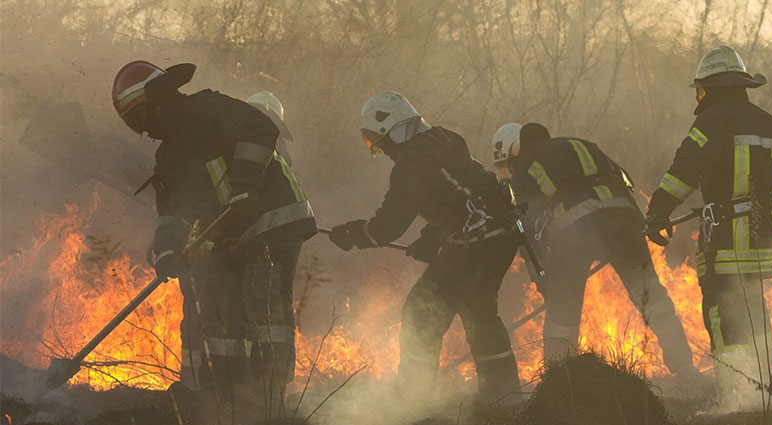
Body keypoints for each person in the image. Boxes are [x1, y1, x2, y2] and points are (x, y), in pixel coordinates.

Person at [112, 60, 316, 420]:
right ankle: (223, 392)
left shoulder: (207, 109)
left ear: (158, 99)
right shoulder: (169, 154)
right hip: (230, 231)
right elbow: (173, 212)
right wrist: (167, 249)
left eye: (139, 117)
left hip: (271, 219)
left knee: (263, 304)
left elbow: (260, 129)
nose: (141, 130)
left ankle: (269, 395)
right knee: (221, 308)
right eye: (132, 124)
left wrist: (244, 187)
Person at [327, 91, 523, 405]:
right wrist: (432, 238)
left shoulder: (411, 163)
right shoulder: (444, 140)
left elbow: (388, 225)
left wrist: (354, 234)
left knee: (421, 313)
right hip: (499, 233)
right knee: (479, 311)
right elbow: (462, 193)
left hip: (475, 241)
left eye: (379, 142)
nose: (383, 151)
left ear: (390, 130)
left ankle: (412, 399)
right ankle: (504, 395)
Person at [644, 45, 772, 408]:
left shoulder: (712, 121)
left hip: (727, 235)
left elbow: (686, 168)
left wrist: (659, 210)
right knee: (753, 309)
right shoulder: (771, 124)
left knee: (721, 312)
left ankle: (736, 397)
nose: (700, 96)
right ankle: (768, 391)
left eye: (701, 89)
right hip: (764, 235)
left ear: (712, 88)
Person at [490, 122, 700, 379]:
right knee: (650, 296)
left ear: (515, 150)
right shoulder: (581, 145)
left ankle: (557, 379)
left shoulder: (525, 165)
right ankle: (686, 368)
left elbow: (527, 226)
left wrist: (543, 277)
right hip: (626, 221)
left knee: (562, 310)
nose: (510, 173)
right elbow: (627, 182)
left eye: (507, 166)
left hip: (575, 228)